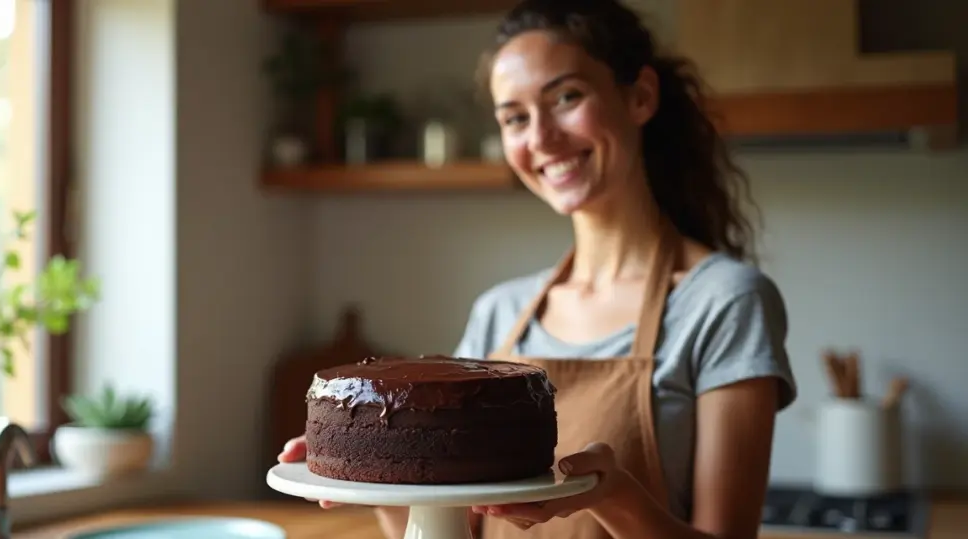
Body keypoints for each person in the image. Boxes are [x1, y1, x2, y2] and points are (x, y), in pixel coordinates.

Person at [279, 0, 797, 537]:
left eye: (566, 97)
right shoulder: (501, 310)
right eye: (515, 118)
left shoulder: (724, 301)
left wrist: (614, 496)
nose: (541, 138)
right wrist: (371, 485)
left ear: (640, 96)